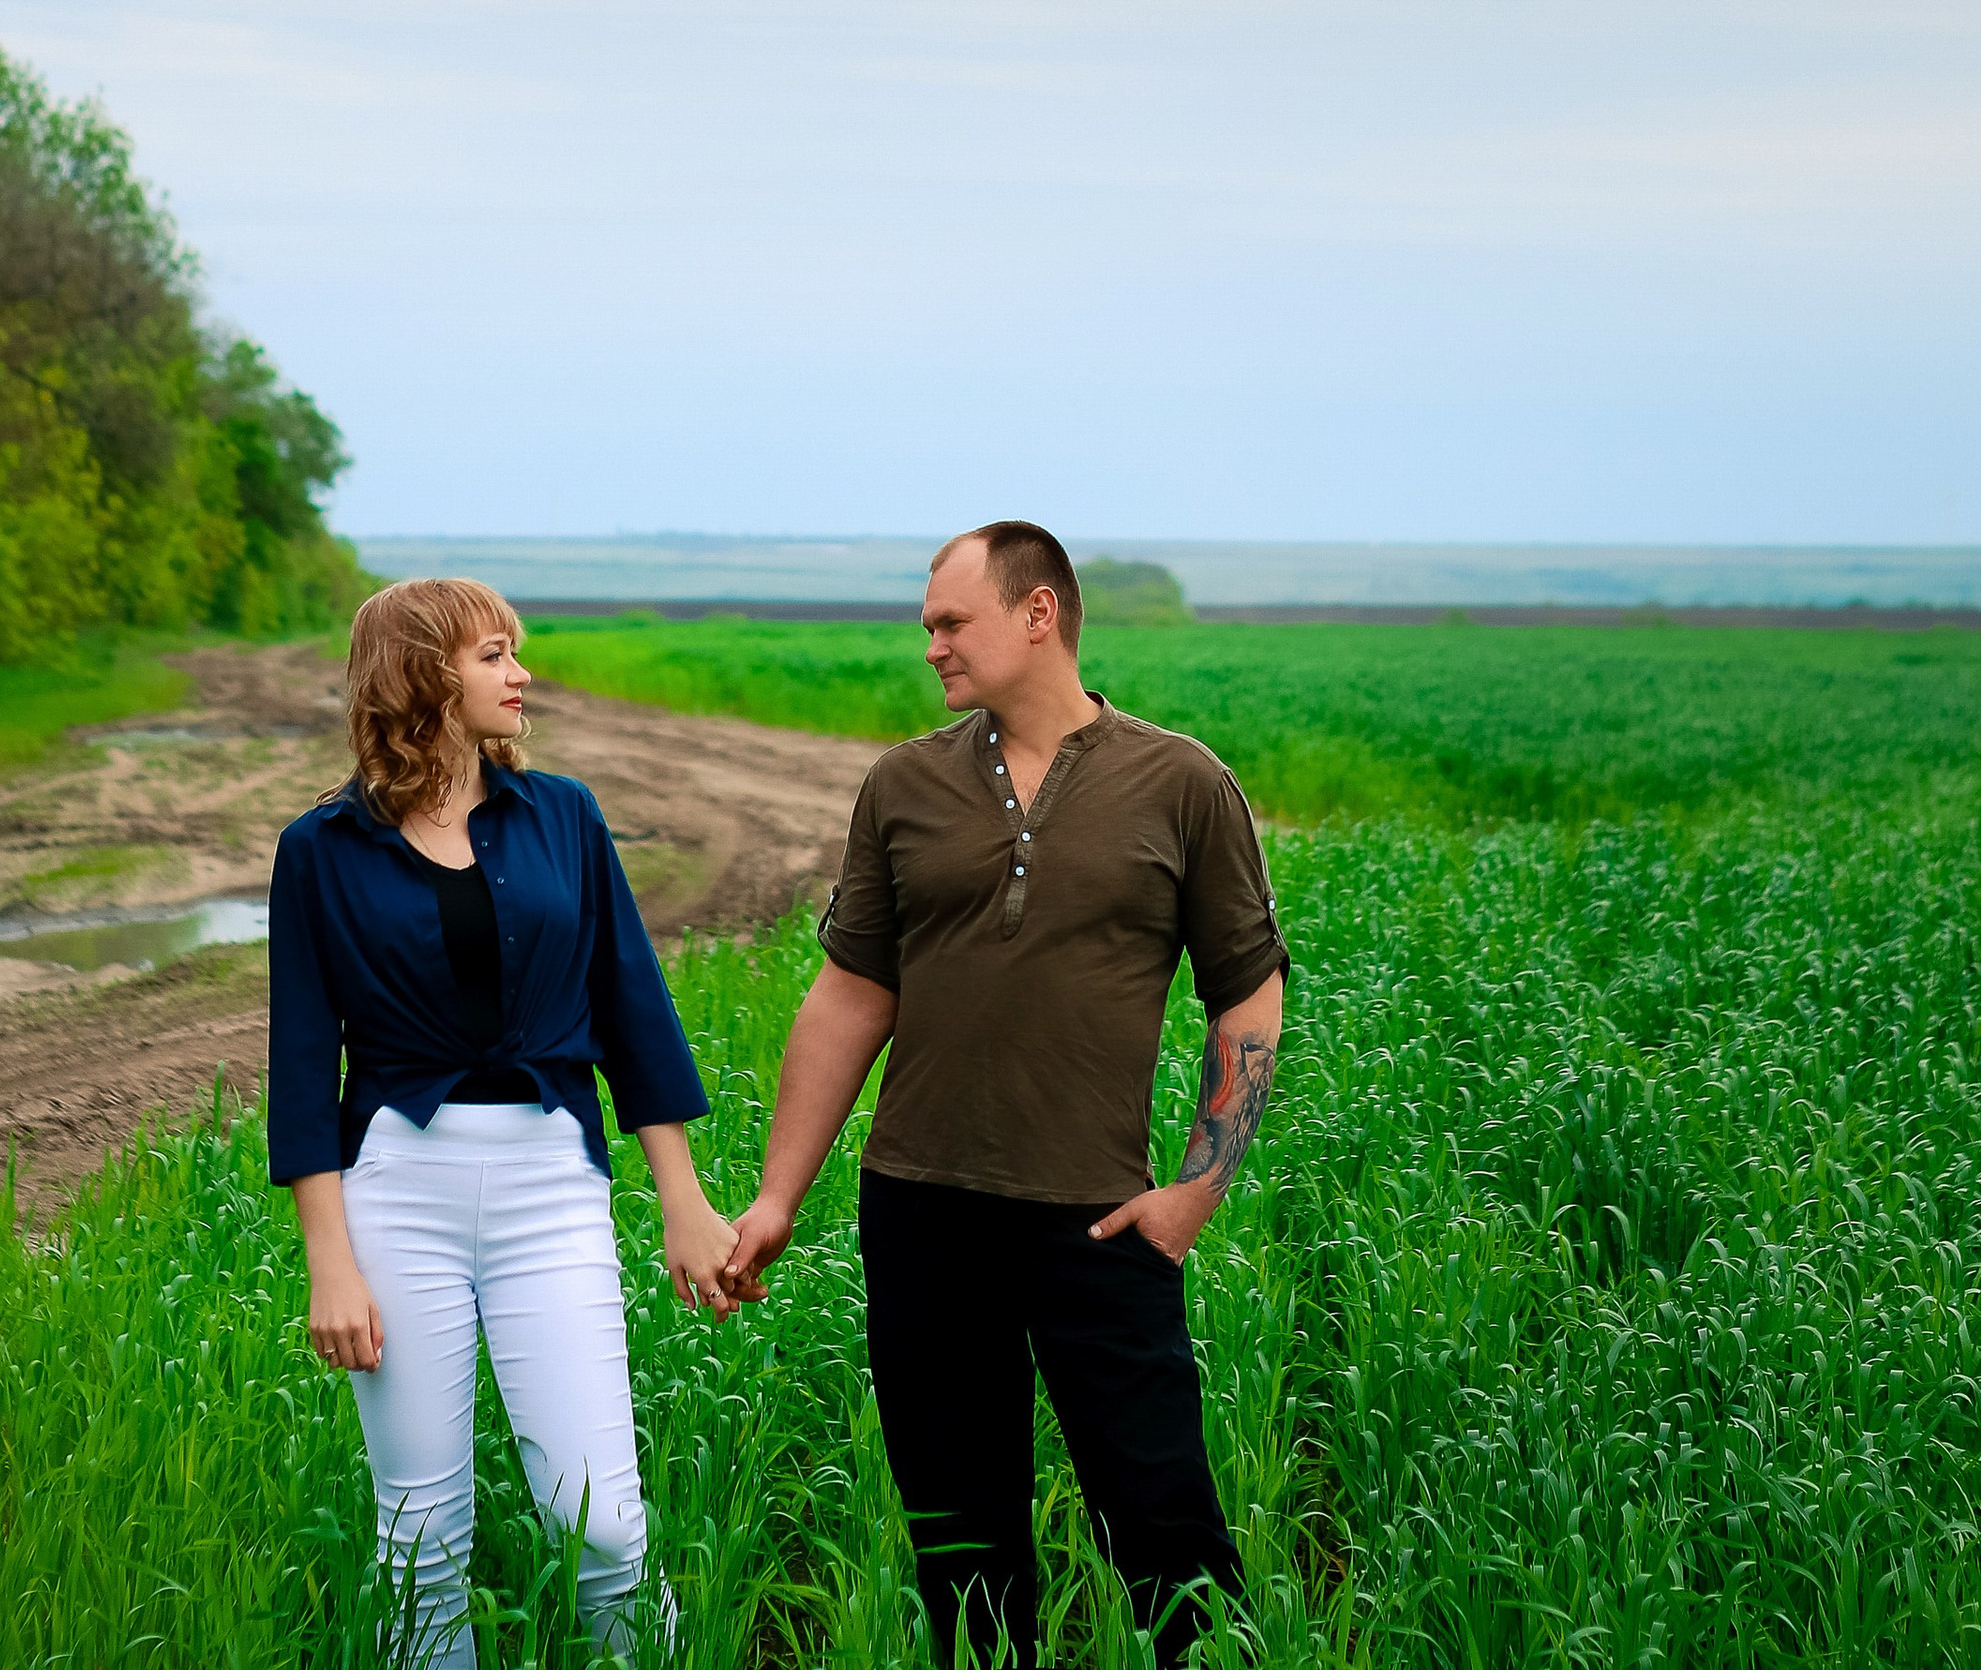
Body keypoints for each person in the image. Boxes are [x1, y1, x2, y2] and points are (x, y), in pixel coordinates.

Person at [718, 521, 1288, 1666]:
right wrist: (779, 1196)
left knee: (1167, 1529)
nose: (930, 645)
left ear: (1038, 615)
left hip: (1098, 1221)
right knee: (962, 1547)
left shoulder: (1181, 783)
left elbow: (1248, 999)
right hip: (920, 1212)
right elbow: (848, 997)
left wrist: (1190, 1197)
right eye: (927, 625)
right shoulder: (905, 784)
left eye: (950, 621)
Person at [267, 578, 736, 1669]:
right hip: (397, 1191)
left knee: (603, 1517)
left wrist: (685, 1203)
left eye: (513, 654)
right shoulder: (320, 850)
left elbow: (634, 1012)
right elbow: (300, 1065)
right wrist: (327, 1264)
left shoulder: (563, 815)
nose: (522, 675)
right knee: (419, 1533)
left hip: (549, 1186)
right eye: (494, 655)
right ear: (422, 675)